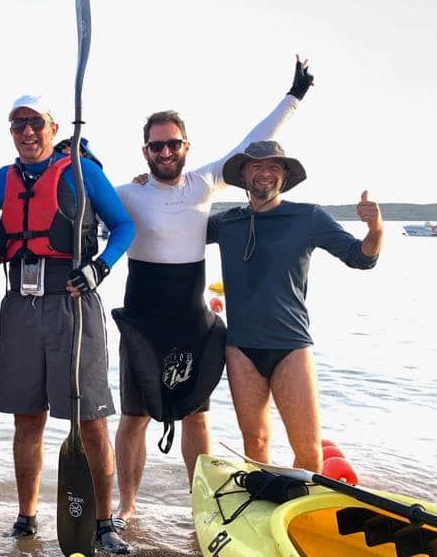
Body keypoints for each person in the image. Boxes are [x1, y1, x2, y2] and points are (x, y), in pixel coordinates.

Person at [111, 56, 313, 528]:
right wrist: (80, 154)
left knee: (196, 418)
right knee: (134, 418)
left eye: (172, 144)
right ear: (145, 151)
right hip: (142, 322)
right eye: (156, 146)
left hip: (190, 322)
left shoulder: (205, 182)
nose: (164, 152)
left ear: (186, 145)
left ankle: (197, 504)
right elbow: (83, 190)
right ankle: (127, 507)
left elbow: (251, 144)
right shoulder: (127, 193)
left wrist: (294, 96)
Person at [0, 94, 135, 554]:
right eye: (17, 125)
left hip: (73, 301)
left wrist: (101, 266)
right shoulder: (4, 179)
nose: (27, 132)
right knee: (27, 418)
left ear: (54, 128)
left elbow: (123, 227)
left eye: (35, 123)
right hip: (20, 302)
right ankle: (26, 517)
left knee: (92, 420)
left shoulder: (82, 173)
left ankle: (103, 523)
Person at [207, 140, 383, 471]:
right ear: (244, 174)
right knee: (254, 442)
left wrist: (376, 229)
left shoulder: (308, 217)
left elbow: (361, 258)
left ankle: (308, 514)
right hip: (241, 348)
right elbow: (172, 230)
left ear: (285, 176)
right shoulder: (226, 222)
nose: (265, 173)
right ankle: (261, 508)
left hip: (290, 345)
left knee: (307, 447)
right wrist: (155, 187)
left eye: (274, 167)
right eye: (256, 166)